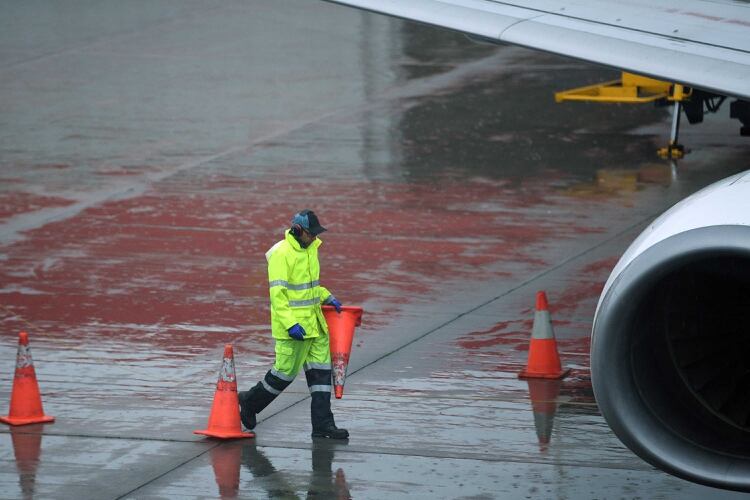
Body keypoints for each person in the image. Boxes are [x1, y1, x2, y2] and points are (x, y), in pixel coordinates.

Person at [239, 209, 349, 439]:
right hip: (294, 330)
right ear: (298, 231)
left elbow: (309, 287)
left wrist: (326, 295)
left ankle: (323, 426)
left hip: (315, 325)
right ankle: (249, 402)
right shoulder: (281, 254)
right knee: (283, 376)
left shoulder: (311, 250)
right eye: (312, 233)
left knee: (321, 378)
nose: (316, 237)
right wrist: (290, 324)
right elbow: (278, 295)